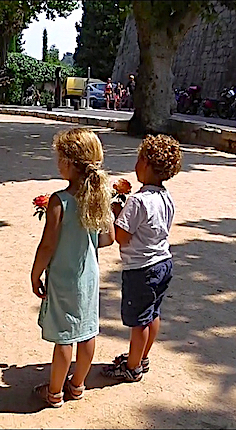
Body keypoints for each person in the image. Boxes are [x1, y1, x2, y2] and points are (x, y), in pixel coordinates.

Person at [31, 128, 115, 407]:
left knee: (65, 337)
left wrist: (35, 273)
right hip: (88, 275)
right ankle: (77, 385)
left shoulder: (60, 200)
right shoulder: (99, 197)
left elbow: (47, 245)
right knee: (87, 331)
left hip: (64, 278)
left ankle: (54, 392)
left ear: (70, 162)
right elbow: (108, 238)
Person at [103, 134, 182, 382]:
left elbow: (122, 236)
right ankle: (142, 357)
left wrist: (115, 216)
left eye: (138, 159)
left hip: (141, 268)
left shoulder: (137, 201)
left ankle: (132, 367)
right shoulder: (165, 197)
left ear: (146, 163)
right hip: (162, 262)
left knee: (138, 321)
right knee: (152, 313)